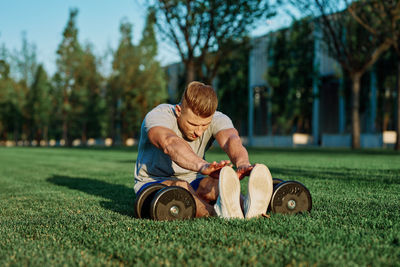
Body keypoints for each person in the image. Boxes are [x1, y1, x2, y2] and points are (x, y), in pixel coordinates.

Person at [134, 81, 273, 219]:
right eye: (192, 124)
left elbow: (231, 140)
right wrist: (202, 166)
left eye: (205, 125)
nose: (199, 132)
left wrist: (243, 163)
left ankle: (248, 208)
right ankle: (216, 213)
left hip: (194, 178)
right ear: (178, 111)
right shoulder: (158, 116)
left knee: (218, 186)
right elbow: (170, 143)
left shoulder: (217, 118)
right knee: (181, 188)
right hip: (153, 182)